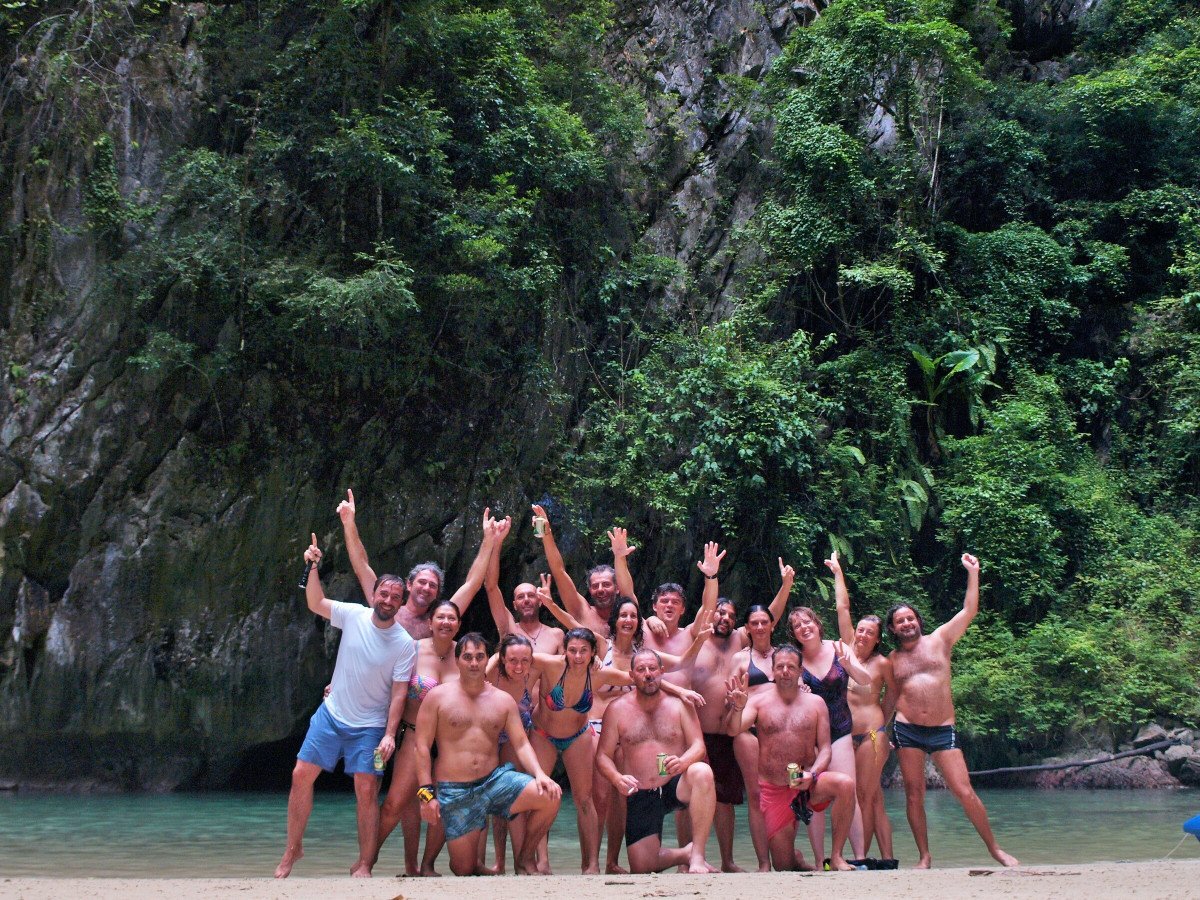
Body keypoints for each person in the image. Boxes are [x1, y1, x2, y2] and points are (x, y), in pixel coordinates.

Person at [275, 534, 417, 879]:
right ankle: (293, 848)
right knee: (300, 776)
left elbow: (399, 694)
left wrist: (389, 735)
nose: (387, 600)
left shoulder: (405, 644)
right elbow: (316, 602)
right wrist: (311, 565)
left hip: (369, 726)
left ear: (402, 603)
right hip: (332, 714)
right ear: (374, 594)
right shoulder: (354, 614)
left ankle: (365, 863)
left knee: (366, 790)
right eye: (383, 593)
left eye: (395, 597)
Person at [887, 553, 1019, 868]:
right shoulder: (891, 660)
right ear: (892, 629)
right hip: (907, 730)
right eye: (899, 621)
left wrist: (973, 573)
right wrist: (880, 731)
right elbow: (887, 698)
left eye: (910, 618)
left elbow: (969, 610)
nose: (906, 623)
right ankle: (924, 856)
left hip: (942, 729)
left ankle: (994, 849)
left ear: (918, 621)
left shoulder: (941, 639)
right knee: (914, 794)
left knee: (963, 790)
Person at [414, 633, 562, 876]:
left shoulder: (502, 700)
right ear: (458, 660)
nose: (474, 663)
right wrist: (426, 794)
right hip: (455, 789)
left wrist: (539, 774)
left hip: (494, 783)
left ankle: (525, 858)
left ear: (488, 660)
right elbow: (421, 747)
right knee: (464, 869)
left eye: (479, 657)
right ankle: (467, 862)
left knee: (550, 795)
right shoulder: (437, 697)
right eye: (468, 657)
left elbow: (522, 744)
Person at [725, 645, 858, 871]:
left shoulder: (816, 703)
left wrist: (812, 774)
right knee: (784, 866)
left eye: (791, 667)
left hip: (808, 783)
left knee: (845, 784)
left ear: (799, 671)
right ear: (773, 671)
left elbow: (825, 749)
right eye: (780, 666)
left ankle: (836, 856)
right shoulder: (759, 701)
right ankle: (798, 860)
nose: (785, 671)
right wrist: (737, 708)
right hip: (775, 788)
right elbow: (733, 730)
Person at [595, 648, 718, 874]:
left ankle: (698, 857)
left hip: (675, 784)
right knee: (642, 866)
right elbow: (602, 755)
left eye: (652, 668)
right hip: (641, 790)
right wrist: (616, 777)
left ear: (662, 671)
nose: (648, 674)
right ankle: (686, 853)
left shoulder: (680, 704)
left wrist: (682, 762)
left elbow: (698, 746)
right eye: (641, 670)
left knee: (702, 772)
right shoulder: (617, 709)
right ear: (632, 676)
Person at [374, 598, 464, 875]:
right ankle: (368, 859)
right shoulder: (412, 649)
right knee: (395, 803)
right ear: (430, 623)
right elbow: (382, 678)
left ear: (458, 625)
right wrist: (336, 686)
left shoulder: (466, 654)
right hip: (413, 735)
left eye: (451, 618)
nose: (446, 622)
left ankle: (426, 866)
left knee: (443, 802)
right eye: (440, 617)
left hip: (449, 741)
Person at [338, 489, 496, 639]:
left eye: (432, 585)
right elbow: (362, 567)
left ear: (437, 594)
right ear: (409, 585)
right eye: (422, 582)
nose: (426, 588)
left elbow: (472, 585)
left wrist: (489, 541)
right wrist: (349, 523)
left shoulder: (438, 621)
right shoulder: (386, 605)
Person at [789, 601, 872, 867]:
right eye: (797, 626)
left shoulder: (839, 648)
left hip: (840, 730)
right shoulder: (795, 660)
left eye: (807, 622)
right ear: (793, 633)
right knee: (816, 798)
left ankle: (859, 858)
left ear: (817, 623)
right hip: (809, 738)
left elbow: (865, 679)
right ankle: (820, 861)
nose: (804, 628)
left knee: (849, 792)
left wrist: (849, 664)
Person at [829, 550, 897, 863]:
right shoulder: (846, 651)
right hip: (847, 735)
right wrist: (838, 573)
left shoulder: (883, 664)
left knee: (865, 797)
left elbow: (892, 697)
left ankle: (861, 858)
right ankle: (885, 858)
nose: (863, 634)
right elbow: (843, 608)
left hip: (871, 734)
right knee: (872, 798)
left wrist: (885, 731)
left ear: (878, 639)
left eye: (871, 633)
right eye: (861, 630)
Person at [534, 503, 620, 636]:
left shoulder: (629, 616)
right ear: (590, 590)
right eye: (595, 586)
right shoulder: (582, 611)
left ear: (617, 587)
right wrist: (547, 533)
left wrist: (653, 620)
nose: (601, 589)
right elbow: (559, 571)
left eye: (606, 584)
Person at [485, 516, 565, 655]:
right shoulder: (508, 628)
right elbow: (491, 587)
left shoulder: (556, 635)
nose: (526, 600)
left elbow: (564, 673)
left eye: (531, 595)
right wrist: (497, 543)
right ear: (515, 605)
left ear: (540, 601)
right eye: (521, 597)